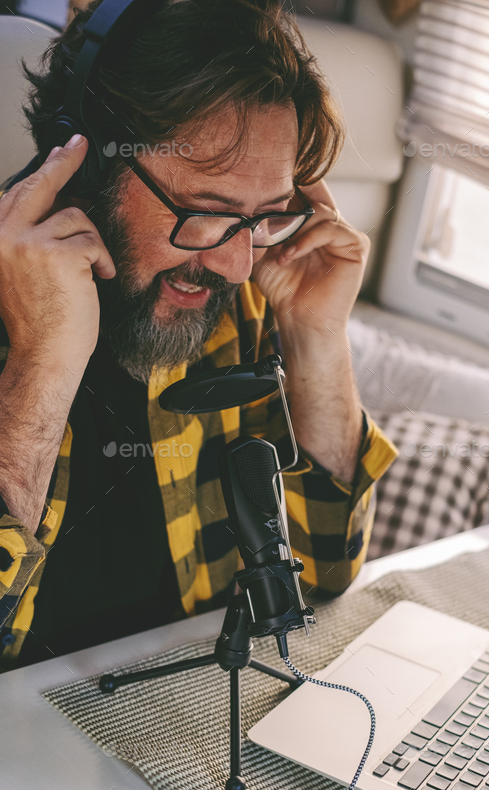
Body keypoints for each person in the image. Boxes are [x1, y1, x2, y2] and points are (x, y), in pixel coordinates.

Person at [0, 0, 397, 670]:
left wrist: (316, 336)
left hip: (187, 702)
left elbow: (323, 572)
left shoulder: (233, 301)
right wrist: (40, 363)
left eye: (263, 217)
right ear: (88, 168)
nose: (237, 265)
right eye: (208, 211)